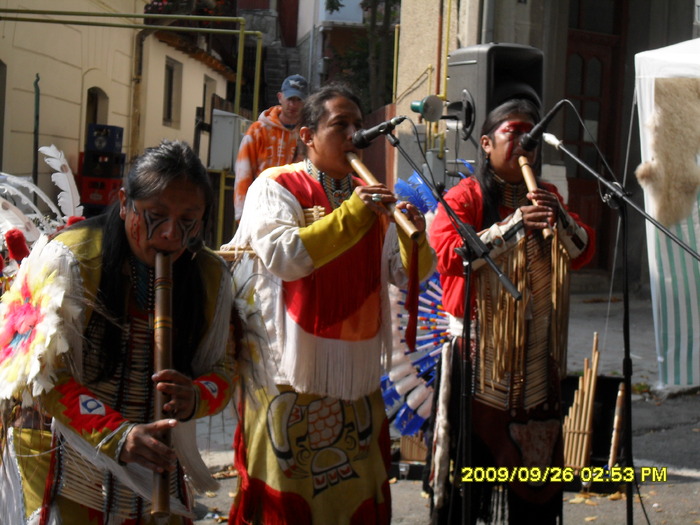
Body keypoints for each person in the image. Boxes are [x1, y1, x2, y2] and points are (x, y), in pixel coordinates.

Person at [222, 82, 436, 524]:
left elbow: (402, 274)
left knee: (355, 489)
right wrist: (356, 214)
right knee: (291, 494)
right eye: (341, 125)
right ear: (307, 136)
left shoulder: (368, 191)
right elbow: (284, 256)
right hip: (287, 374)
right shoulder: (275, 184)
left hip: (357, 372)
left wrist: (412, 236)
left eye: (359, 125)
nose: (356, 135)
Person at [0, 140, 234, 523]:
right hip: (67, 463)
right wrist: (115, 434)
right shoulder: (69, 260)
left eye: (189, 220)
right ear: (124, 203)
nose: (171, 235)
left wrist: (196, 396)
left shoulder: (210, 277)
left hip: (159, 469)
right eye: (156, 215)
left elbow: (226, 369)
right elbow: (42, 375)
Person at [428, 98, 595, 524]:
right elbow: (451, 256)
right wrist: (513, 225)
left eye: (532, 135)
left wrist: (562, 220)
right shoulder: (463, 196)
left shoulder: (548, 195)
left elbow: (580, 254)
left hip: (535, 360)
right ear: (485, 143)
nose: (525, 142)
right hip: (478, 358)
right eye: (514, 132)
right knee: (469, 484)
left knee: (536, 486)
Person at [233, 74, 309, 222]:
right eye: (290, 98)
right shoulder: (258, 131)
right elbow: (243, 172)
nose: (293, 105)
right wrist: (241, 214)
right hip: (261, 207)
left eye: (298, 100)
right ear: (280, 97)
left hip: (297, 209)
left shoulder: (309, 134)